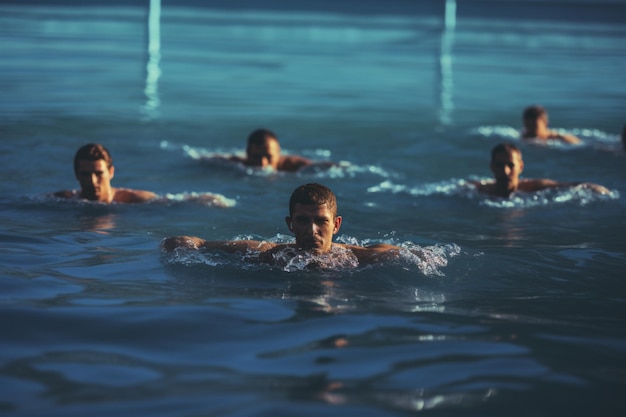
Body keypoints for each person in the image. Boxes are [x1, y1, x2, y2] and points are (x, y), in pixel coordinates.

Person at [162, 183, 417, 266]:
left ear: (336, 225)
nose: (312, 230)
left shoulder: (358, 257)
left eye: (321, 222)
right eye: (303, 221)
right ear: (290, 224)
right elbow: (187, 242)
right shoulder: (268, 254)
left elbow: (417, 254)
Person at [470, 142, 610, 198]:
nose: (506, 171)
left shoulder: (534, 188)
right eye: (500, 165)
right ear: (492, 167)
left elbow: (574, 186)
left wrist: (598, 189)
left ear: (521, 167)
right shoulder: (478, 189)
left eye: (511, 165)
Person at [53, 143, 158, 204]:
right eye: (85, 174)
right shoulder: (62, 199)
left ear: (111, 172)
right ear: (77, 175)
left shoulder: (136, 199)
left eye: (98, 174)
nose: (92, 181)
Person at [226, 128, 329, 172]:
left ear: (278, 152)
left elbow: (325, 166)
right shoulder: (238, 163)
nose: (263, 163)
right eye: (256, 157)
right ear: (248, 154)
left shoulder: (293, 165)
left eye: (269, 157)